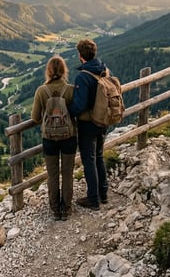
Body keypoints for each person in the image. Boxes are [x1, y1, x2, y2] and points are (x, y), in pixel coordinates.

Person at [31, 55, 77, 221]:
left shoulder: (41, 91)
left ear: (48, 71)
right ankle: (67, 208)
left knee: (52, 174)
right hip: (69, 136)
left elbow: (35, 117)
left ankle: (55, 210)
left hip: (49, 138)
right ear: (64, 70)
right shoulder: (71, 89)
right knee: (67, 173)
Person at [68, 39, 109, 211]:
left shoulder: (83, 76)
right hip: (103, 121)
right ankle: (103, 193)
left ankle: (93, 198)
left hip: (88, 124)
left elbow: (79, 105)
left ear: (80, 55)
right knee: (99, 156)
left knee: (89, 160)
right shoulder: (104, 70)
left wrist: (68, 112)